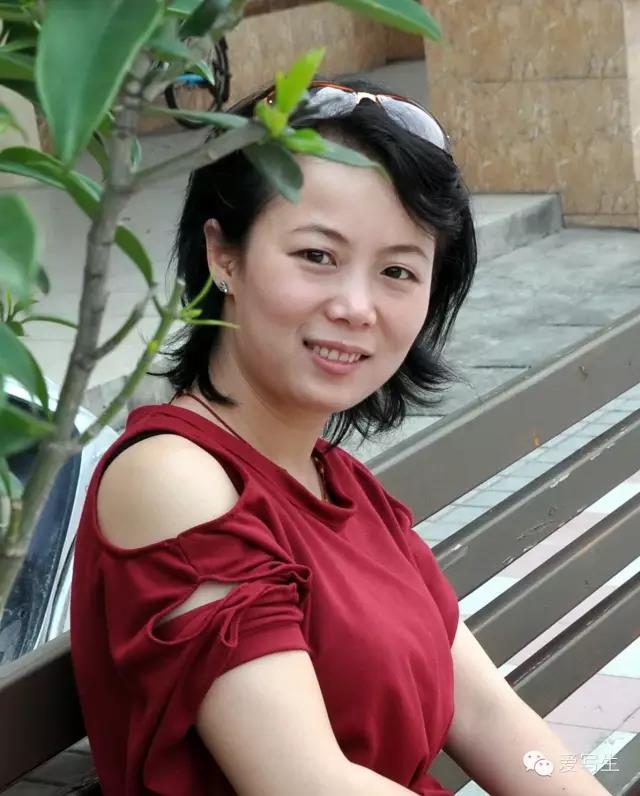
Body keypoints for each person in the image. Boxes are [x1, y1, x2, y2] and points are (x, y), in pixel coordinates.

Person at [70, 79, 611, 796]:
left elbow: (493, 718)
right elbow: (305, 781)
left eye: (397, 271)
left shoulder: (342, 485)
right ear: (223, 255)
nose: (357, 307)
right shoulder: (173, 482)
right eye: (317, 256)